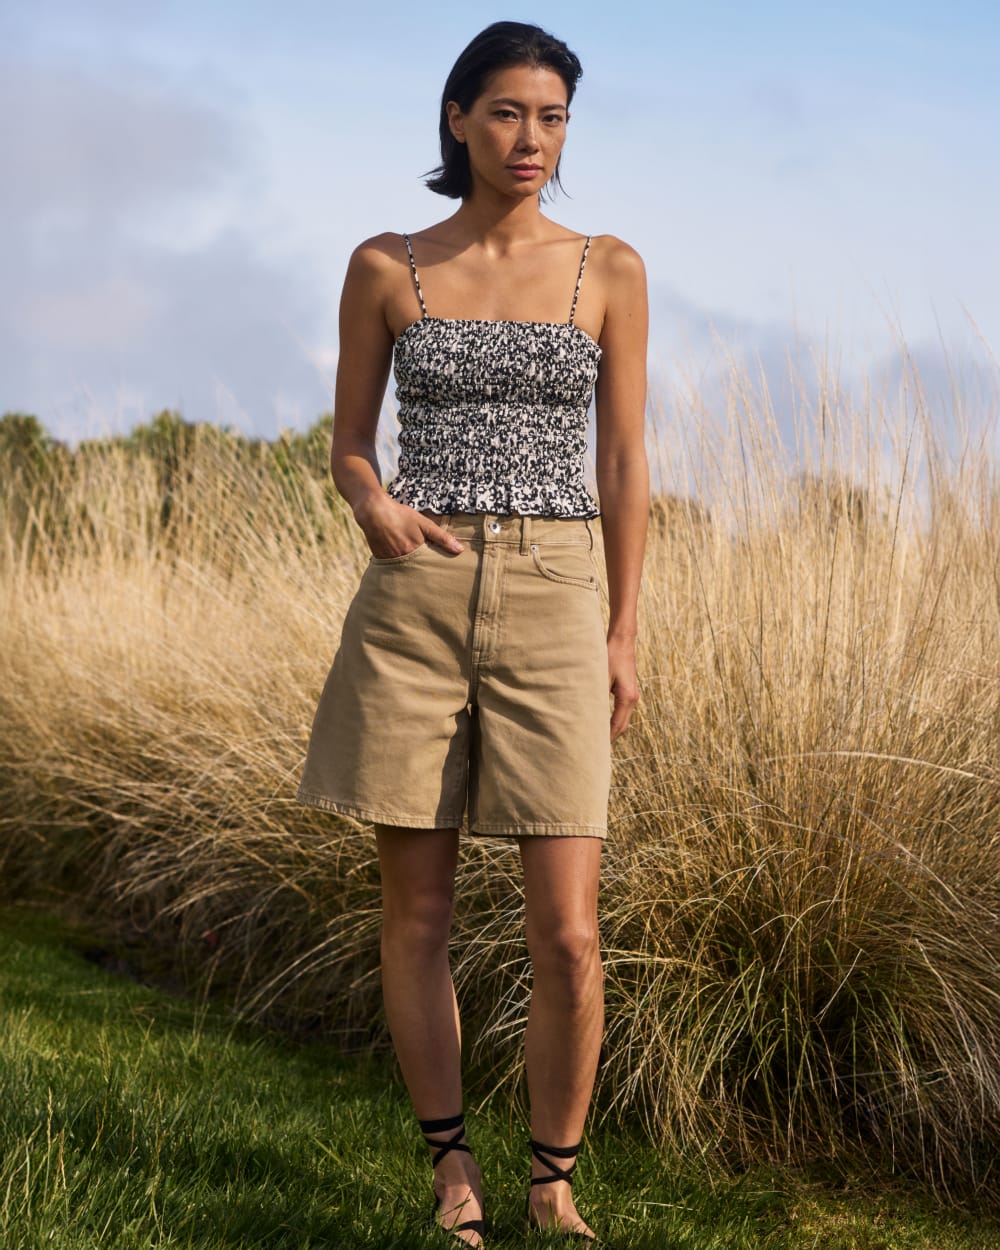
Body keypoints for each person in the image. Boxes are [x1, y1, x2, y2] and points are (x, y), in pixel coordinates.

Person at [297, 19, 648, 1246]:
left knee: (568, 927)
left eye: (552, 117)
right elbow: (346, 441)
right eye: (507, 112)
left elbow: (621, 458)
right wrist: (375, 505)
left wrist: (622, 628)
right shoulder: (386, 264)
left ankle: (552, 1176)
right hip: (420, 590)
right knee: (419, 914)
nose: (531, 140)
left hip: (559, 590)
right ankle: (454, 1170)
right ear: (458, 119)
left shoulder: (605, 267)